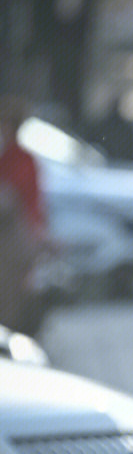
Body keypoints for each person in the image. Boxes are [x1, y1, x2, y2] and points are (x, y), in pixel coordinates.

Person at [0, 95, 48, 329]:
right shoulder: (13, 157)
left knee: (10, 295)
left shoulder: (17, 159)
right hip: (20, 236)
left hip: (16, 239)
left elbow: (15, 200)